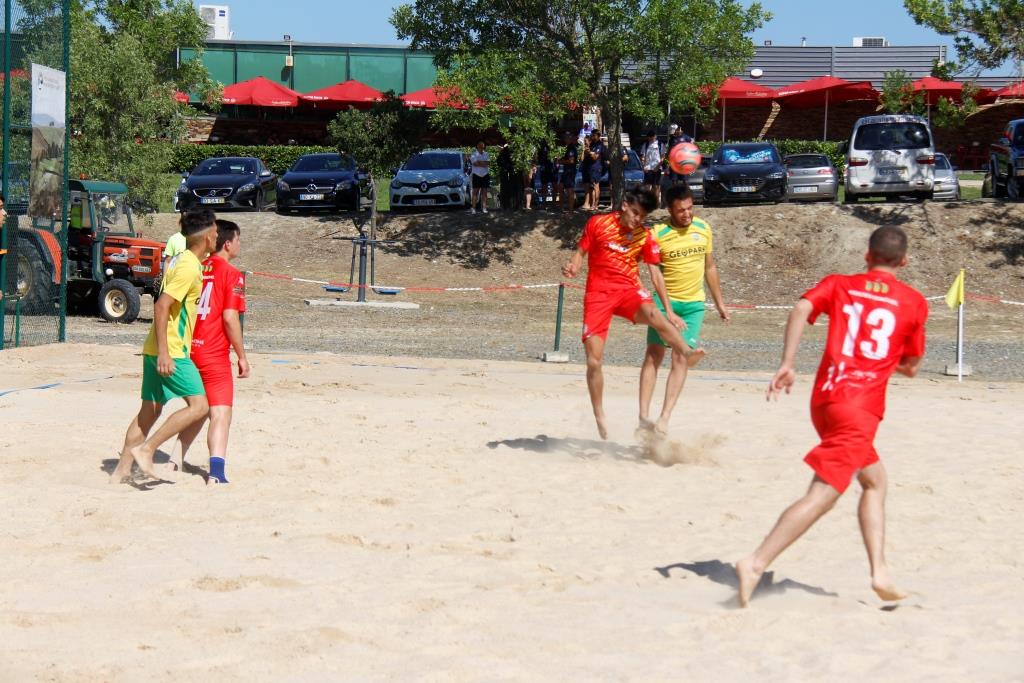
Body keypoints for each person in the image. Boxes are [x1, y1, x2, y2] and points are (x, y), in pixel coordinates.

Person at [735, 226, 929, 608]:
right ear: (903, 261)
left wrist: (788, 363)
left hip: (824, 401)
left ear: (867, 255)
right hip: (859, 409)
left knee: (875, 481)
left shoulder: (841, 284)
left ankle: (880, 572)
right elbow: (911, 364)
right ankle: (755, 563)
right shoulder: (914, 301)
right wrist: (896, 366)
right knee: (822, 496)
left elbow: (802, 307)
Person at [561, 188, 704, 440]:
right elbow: (581, 252)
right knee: (594, 361)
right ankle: (599, 413)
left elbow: (655, 272)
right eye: (636, 213)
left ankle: (685, 351)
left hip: (627, 291)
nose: (638, 220)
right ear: (625, 205)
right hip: (598, 296)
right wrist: (574, 265)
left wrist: (669, 310)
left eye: (643, 216)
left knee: (652, 311)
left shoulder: (645, 236)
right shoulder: (598, 223)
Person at [111, 209, 219, 482]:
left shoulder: (182, 260)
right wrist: (165, 353)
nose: (218, 235)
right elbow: (161, 306)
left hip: (156, 347)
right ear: (207, 237)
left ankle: (120, 473)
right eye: (216, 231)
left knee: (149, 412)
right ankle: (147, 449)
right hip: (170, 349)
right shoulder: (189, 266)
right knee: (200, 406)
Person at [639, 183, 729, 435]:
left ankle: (664, 419)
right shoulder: (657, 233)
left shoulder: (703, 228)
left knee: (681, 357)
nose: (687, 214)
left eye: (690, 208)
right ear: (669, 209)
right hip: (665, 304)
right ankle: (643, 417)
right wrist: (666, 309)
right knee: (654, 354)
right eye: (681, 211)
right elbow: (652, 270)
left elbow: (709, 267)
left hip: (693, 306)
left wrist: (719, 303)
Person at [176, 219, 250, 484]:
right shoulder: (231, 274)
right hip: (213, 353)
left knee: (200, 408)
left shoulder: (198, 266)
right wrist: (242, 356)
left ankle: (175, 460)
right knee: (220, 412)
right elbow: (230, 318)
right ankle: (217, 473)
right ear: (228, 243)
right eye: (239, 240)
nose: (240, 245)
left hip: (188, 348)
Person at [555, 131, 578, 212]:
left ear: (570, 139)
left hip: (570, 171)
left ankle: (571, 210)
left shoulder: (572, 148)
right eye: (564, 137)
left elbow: (571, 161)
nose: (565, 139)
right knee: (560, 187)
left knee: (570, 190)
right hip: (565, 171)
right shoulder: (567, 147)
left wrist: (560, 161)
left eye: (567, 137)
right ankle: (561, 207)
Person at [640, 131, 664, 207]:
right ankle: (647, 202)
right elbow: (642, 156)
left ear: (655, 136)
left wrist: (658, 166)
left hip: (657, 168)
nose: (650, 138)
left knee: (656, 186)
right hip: (648, 168)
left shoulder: (660, 144)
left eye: (652, 136)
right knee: (647, 186)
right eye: (649, 137)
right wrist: (644, 165)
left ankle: (656, 203)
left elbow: (663, 157)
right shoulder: (645, 145)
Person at [585, 129, 605, 211]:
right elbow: (587, 154)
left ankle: (596, 205)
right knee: (591, 186)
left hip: (597, 167)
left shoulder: (600, 145)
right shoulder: (592, 144)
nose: (592, 137)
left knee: (596, 185)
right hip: (590, 167)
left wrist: (590, 152)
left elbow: (595, 157)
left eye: (594, 135)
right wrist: (587, 145)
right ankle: (592, 204)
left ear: (598, 135)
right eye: (592, 135)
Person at [469, 140, 490, 214]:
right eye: (480, 145)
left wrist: (480, 162)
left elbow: (488, 163)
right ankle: (473, 208)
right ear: (477, 145)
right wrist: (483, 163)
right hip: (476, 175)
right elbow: (475, 164)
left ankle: (484, 208)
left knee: (484, 192)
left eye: (483, 145)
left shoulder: (486, 154)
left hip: (485, 174)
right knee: (475, 192)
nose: (482, 146)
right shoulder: (473, 154)